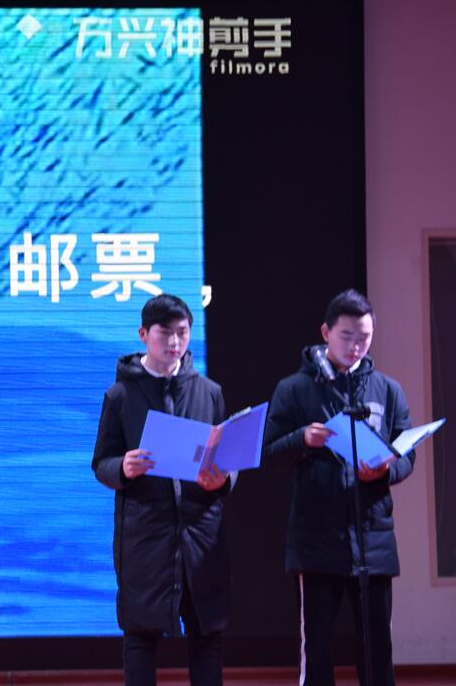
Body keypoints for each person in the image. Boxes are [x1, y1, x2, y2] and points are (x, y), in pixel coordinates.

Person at [265, 289, 413, 686]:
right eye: (347, 336)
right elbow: (268, 451)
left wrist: (384, 472)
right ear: (325, 332)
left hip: (373, 536)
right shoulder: (294, 389)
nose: (355, 346)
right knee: (317, 652)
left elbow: (406, 454)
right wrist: (301, 439)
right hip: (316, 539)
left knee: (377, 650)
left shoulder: (387, 390)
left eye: (364, 337)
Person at [91, 295, 230, 686]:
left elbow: (227, 458)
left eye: (182, 333)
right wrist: (123, 467)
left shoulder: (209, 392)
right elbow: (101, 463)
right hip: (145, 536)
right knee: (140, 637)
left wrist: (223, 479)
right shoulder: (121, 396)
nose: (174, 342)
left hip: (201, 534)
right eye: (165, 333)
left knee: (207, 635)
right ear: (143, 334)